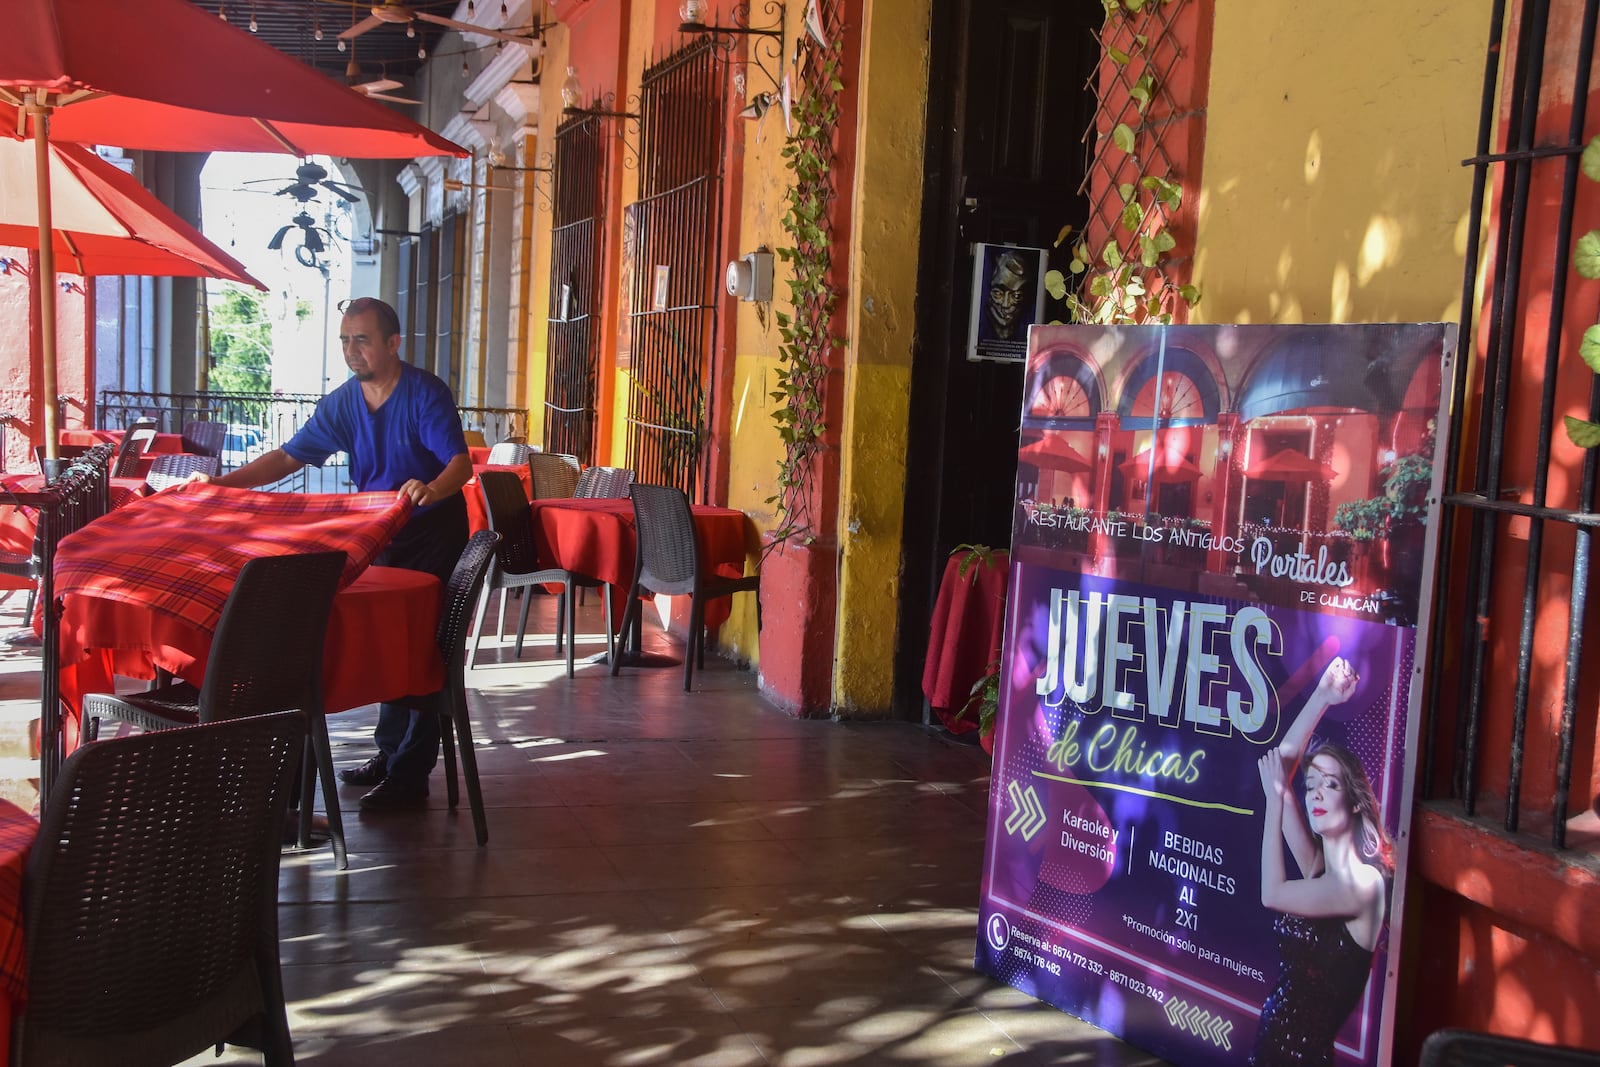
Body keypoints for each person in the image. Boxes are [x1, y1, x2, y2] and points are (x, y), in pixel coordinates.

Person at [198, 296, 472, 811]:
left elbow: (460, 465)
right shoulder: (344, 403)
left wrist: (431, 489)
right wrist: (223, 485)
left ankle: (410, 774)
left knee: (422, 648)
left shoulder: (425, 394)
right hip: (381, 537)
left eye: (362, 340)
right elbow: (286, 456)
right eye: (345, 340)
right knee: (392, 642)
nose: (351, 351)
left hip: (434, 535)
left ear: (393, 344)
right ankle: (389, 755)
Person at [1251, 656, 1394, 1067]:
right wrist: (1322, 697)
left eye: (1329, 785)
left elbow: (1271, 893)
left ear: (1353, 800)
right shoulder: (1318, 869)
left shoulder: (1363, 885)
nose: (1313, 794)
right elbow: (1283, 765)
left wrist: (1276, 802)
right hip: (1268, 1048)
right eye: (1311, 786)